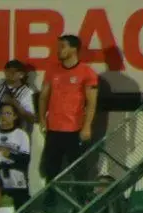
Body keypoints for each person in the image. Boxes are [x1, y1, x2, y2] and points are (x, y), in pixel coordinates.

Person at [39, 34, 99, 190]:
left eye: (62, 47)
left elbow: (92, 102)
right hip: (54, 129)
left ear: (74, 49)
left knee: (78, 169)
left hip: (75, 129)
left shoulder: (87, 72)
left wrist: (87, 126)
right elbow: (43, 97)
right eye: (58, 47)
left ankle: (81, 203)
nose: (58, 50)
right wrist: (42, 119)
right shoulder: (52, 70)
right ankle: (49, 204)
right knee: (50, 169)